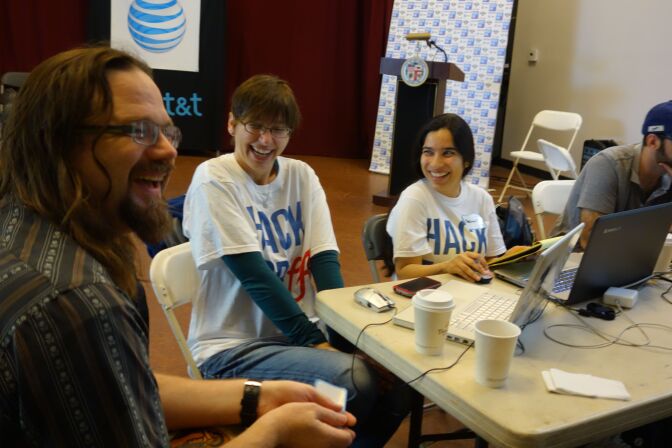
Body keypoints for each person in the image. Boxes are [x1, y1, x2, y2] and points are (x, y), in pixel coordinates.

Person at [0, 47, 357, 447]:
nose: (169, 151)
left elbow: (130, 389)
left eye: (167, 132)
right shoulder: (80, 304)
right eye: (138, 131)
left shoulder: (27, 233)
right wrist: (275, 430)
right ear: (59, 143)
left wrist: (257, 397)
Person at [182, 74, 410, 447]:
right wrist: (317, 344)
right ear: (231, 124)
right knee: (354, 381)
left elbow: (324, 260)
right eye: (254, 126)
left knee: (399, 384)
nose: (265, 140)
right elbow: (254, 275)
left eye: (278, 129)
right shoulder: (214, 178)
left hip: (295, 341)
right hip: (230, 349)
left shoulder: (301, 176)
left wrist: (346, 336)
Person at [386, 113, 508, 281]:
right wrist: (446, 267)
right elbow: (404, 271)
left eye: (448, 153)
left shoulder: (482, 198)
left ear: (466, 160)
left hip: (468, 293)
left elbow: (490, 261)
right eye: (428, 152)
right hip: (423, 297)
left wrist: (512, 259)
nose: (435, 164)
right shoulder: (414, 198)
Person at [552, 100, 672, 249]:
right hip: (573, 257)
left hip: (631, 256)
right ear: (653, 141)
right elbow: (590, 241)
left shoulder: (667, 175)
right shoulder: (608, 164)